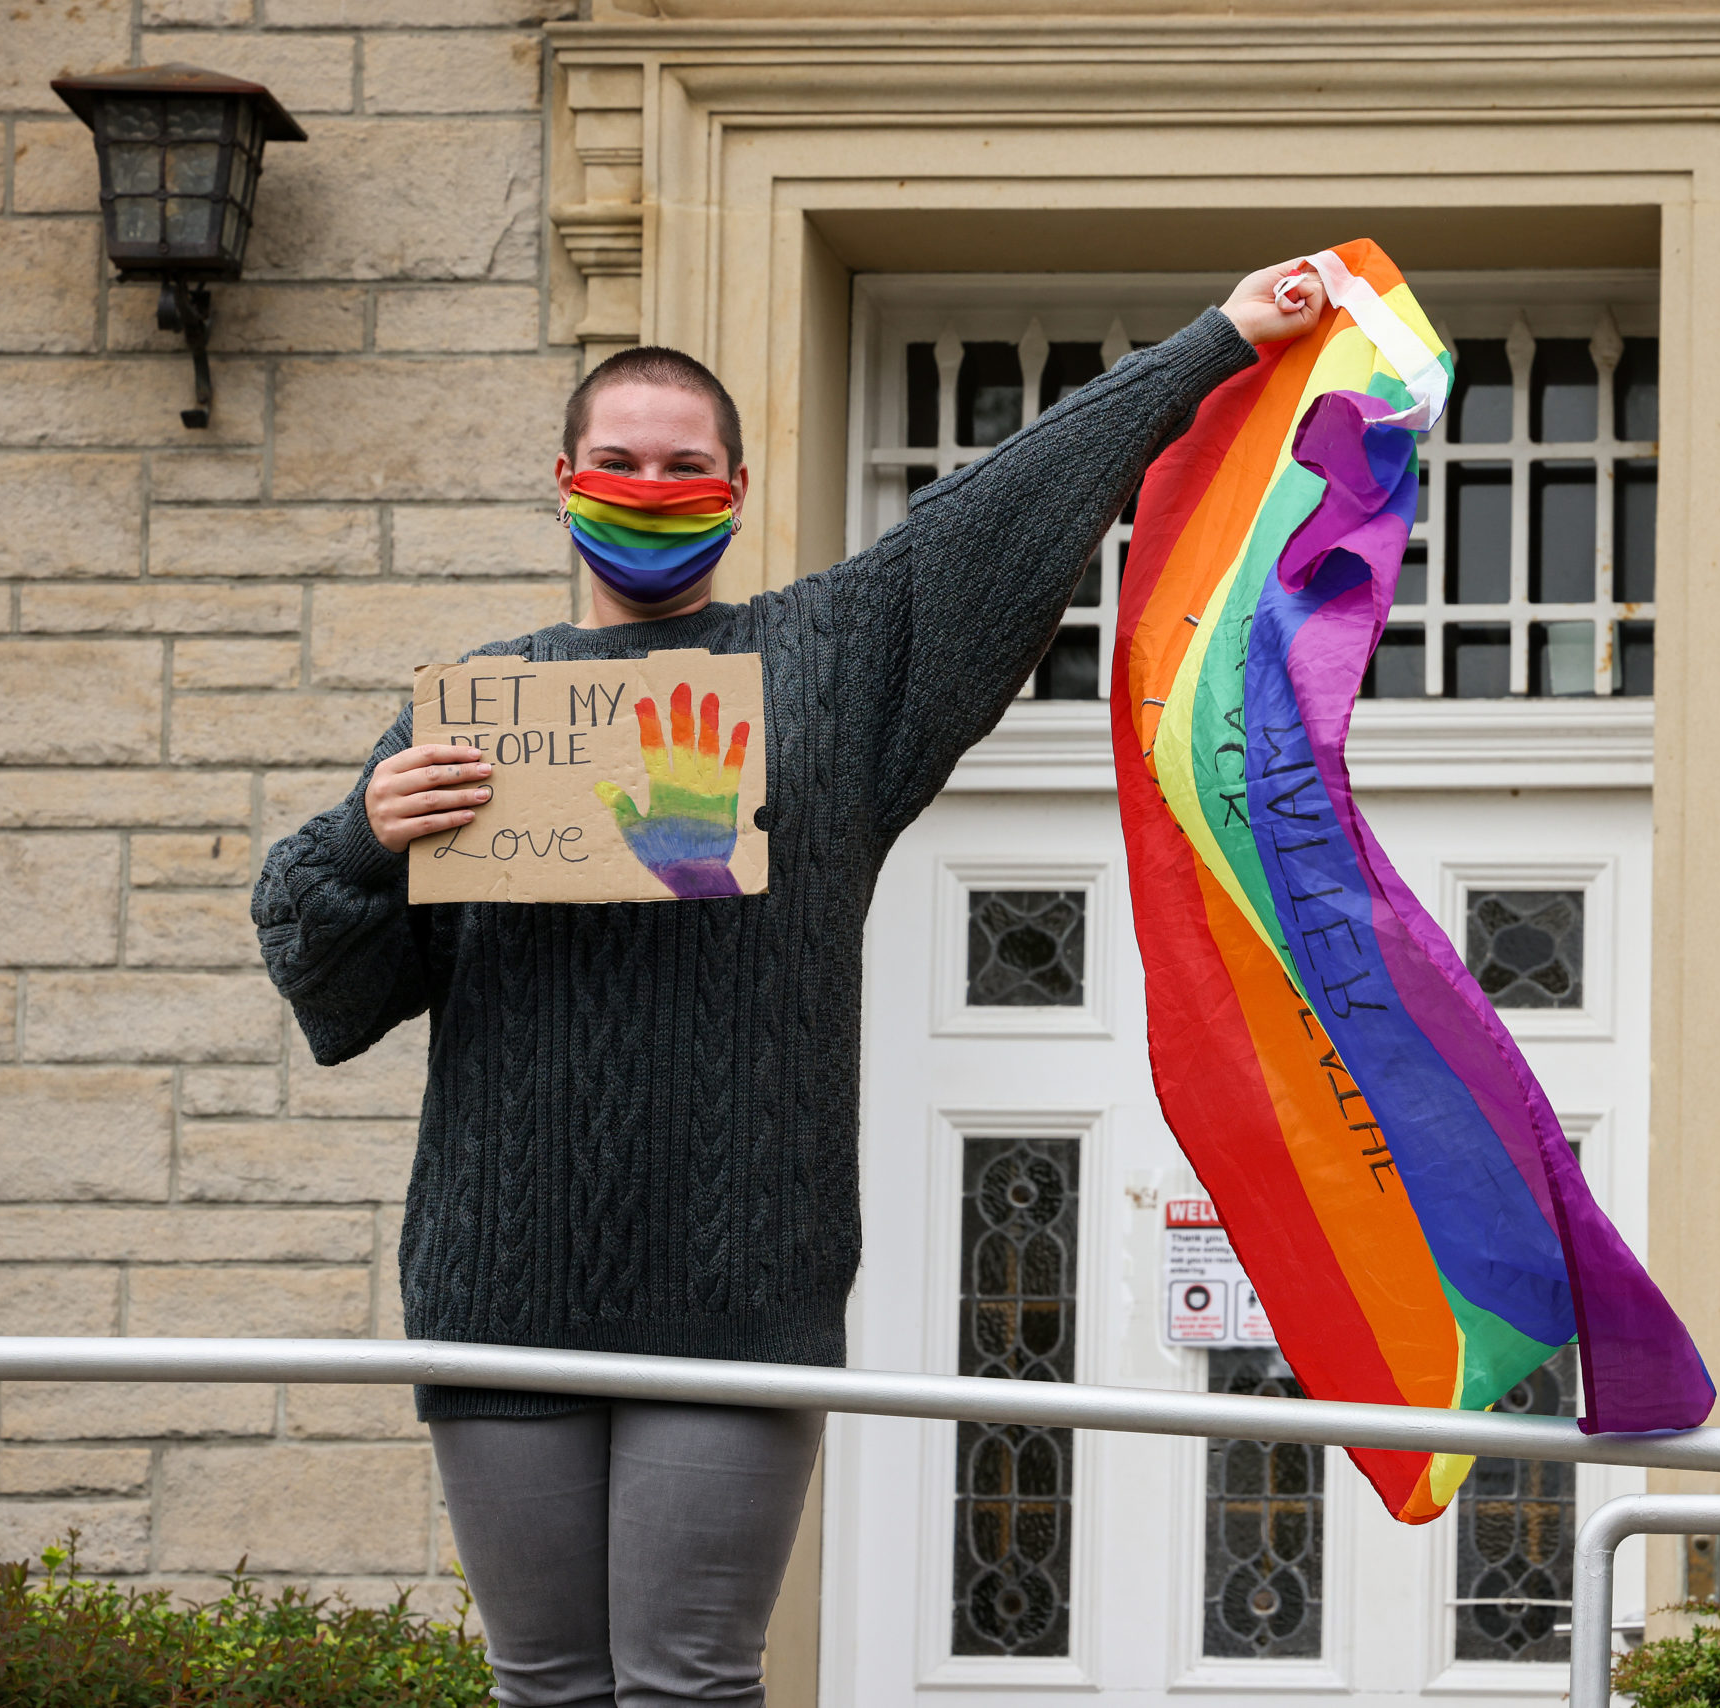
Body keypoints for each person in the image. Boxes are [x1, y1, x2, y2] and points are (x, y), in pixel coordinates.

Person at [252, 263, 1324, 1706]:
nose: (649, 487)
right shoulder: (479, 710)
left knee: (690, 1678)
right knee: (545, 1686)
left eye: (684, 467)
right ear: (564, 481)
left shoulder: (832, 664)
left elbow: (998, 509)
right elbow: (333, 981)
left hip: (739, 1282)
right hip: (500, 1285)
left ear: (738, 491)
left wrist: (1216, 340)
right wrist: (363, 838)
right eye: (619, 463)